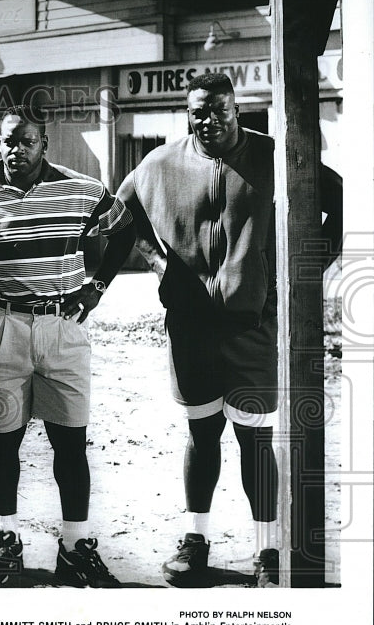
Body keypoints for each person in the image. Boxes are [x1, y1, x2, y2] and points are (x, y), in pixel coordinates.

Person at [116, 72, 342, 588]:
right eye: (199, 110)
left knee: (254, 440)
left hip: (252, 326)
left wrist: (300, 275)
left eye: (220, 109)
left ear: (237, 109)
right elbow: (119, 210)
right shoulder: (160, 164)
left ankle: (266, 552)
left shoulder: (274, 156)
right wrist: (157, 263)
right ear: (187, 112)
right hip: (190, 329)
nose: (209, 119)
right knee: (201, 433)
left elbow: (340, 198)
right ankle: (195, 542)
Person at [0, 105, 136, 588]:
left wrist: (97, 286)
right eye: (7, 141)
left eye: (26, 141)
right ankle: (6, 542)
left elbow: (125, 227)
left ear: (45, 143)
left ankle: (75, 546)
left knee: (71, 443)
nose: (15, 150)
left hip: (63, 326)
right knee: (5, 442)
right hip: (1, 328)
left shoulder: (81, 189)